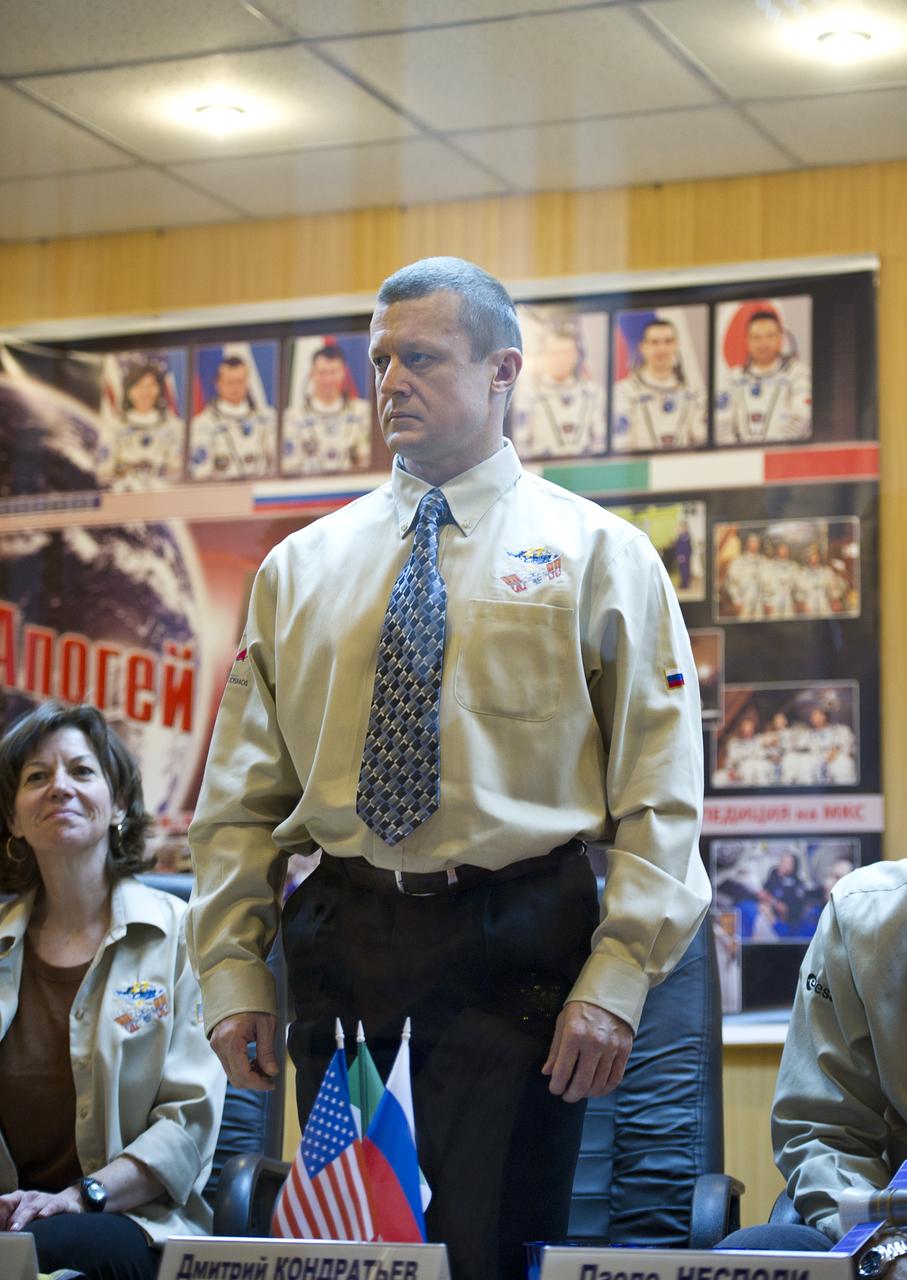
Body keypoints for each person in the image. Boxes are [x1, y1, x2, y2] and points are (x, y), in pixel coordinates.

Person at [186, 256, 709, 1280]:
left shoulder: (597, 552)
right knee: (353, 1249)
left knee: (490, 1251)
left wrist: (614, 976)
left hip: (515, 939)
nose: (389, 381)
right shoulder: (301, 566)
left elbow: (662, 786)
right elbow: (240, 799)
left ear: (502, 368)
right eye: (379, 357)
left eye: (419, 356)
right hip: (345, 938)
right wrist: (232, 965)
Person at [0, 701, 225, 1280]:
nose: (59, 788)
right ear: (13, 820)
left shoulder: (180, 935)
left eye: (81, 771)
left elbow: (188, 1122)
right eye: (36, 777)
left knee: (57, 1246)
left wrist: (82, 1196)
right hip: (10, 1221)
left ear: (118, 802)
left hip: (133, 1220)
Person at [719, 860, 907, 1261]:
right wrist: (886, 1249)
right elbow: (825, 1130)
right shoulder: (865, 914)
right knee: (756, 1252)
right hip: (901, 1232)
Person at [715, 309, 812, 445]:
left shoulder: (798, 373)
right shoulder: (732, 378)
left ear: (780, 338)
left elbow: (803, 418)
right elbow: (721, 422)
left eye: (769, 336)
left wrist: (775, 451)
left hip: (785, 457)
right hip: (739, 458)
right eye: (756, 337)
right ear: (747, 341)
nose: (763, 343)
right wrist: (738, 454)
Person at [509, 325, 606, 458]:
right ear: (544, 354)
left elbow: (601, 440)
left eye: (566, 353)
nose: (560, 359)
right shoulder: (527, 395)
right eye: (554, 353)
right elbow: (520, 444)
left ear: (577, 355)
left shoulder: (593, 393)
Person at [611, 318, 707, 453]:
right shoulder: (623, 391)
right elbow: (622, 444)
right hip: (641, 469)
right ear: (642, 347)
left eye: (668, 342)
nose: (662, 349)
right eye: (654, 343)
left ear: (677, 345)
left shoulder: (694, 391)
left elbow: (701, 437)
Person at [281, 344, 373, 475]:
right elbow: (290, 466)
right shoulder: (293, 417)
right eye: (322, 373)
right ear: (312, 373)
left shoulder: (363, 412)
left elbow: (368, 459)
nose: (328, 380)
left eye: (333, 372)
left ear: (343, 372)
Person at [99, 362, 185, 491]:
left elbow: (178, 467)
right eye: (138, 386)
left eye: (151, 385)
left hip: (163, 493)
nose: (145, 392)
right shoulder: (114, 427)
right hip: (123, 493)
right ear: (128, 390)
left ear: (160, 389)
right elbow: (104, 469)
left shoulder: (174, 426)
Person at [188, 354, 276, 480]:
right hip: (222, 494)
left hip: (261, 491)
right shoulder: (203, 424)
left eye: (240, 381)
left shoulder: (267, 417)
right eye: (229, 382)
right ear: (218, 384)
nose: (235, 387)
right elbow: (201, 473)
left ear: (247, 382)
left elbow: (282, 462)